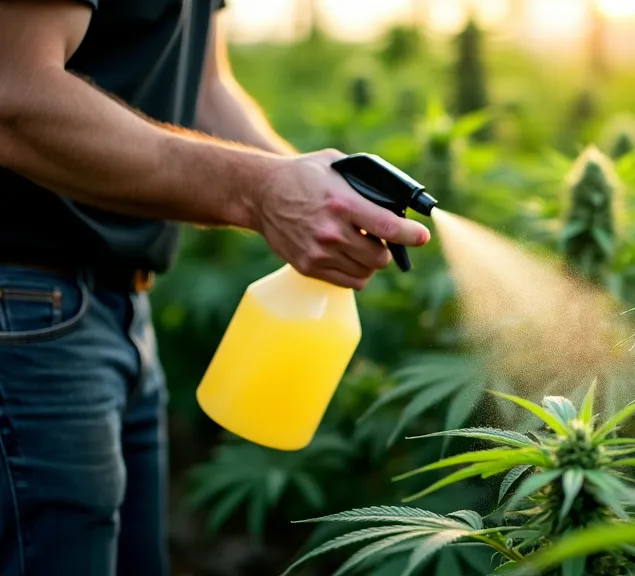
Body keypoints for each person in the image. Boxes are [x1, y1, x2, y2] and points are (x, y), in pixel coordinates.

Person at [0, 0, 431, 574]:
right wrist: (259, 192)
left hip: (119, 303)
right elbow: (15, 94)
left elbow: (204, 87)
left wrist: (316, 189)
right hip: (26, 306)